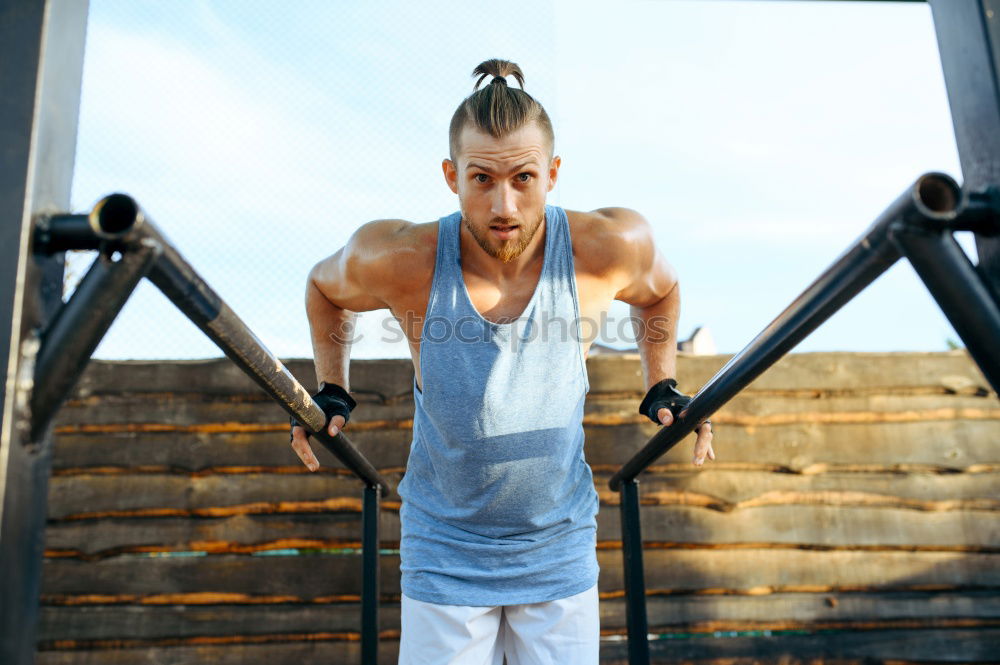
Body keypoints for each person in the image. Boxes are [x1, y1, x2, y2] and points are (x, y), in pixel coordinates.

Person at [290, 58, 715, 665]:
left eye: (523, 178)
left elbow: (662, 289)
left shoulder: (604, 249)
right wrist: (332, 389)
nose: (504, 204)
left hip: (557, 548)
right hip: (444, 547)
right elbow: (324, 289)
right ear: (451, 177)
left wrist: (663, 382)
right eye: (482, 179)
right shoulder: (402, 257)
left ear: (553, 174)